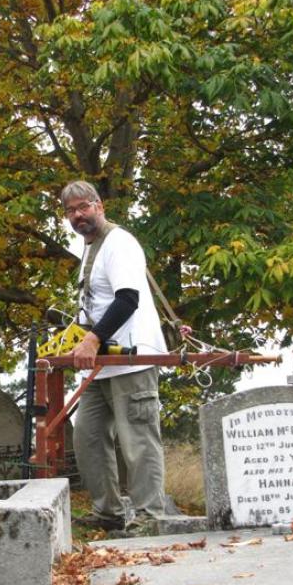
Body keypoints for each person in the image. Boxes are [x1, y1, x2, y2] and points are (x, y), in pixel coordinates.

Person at [61, 180, 168, 533]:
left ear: (99, 205)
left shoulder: (119, 243)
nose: (78, 216)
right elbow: (95, 304)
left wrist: (91, 340)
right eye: (71, 211)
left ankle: (151, 516)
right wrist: (75, 340)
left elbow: (127, 299)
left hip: (131, 359)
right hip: (99, 365)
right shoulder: (90, 249)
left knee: (137, 440)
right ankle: (109, 513)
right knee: (87, 438)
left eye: (83, 207)